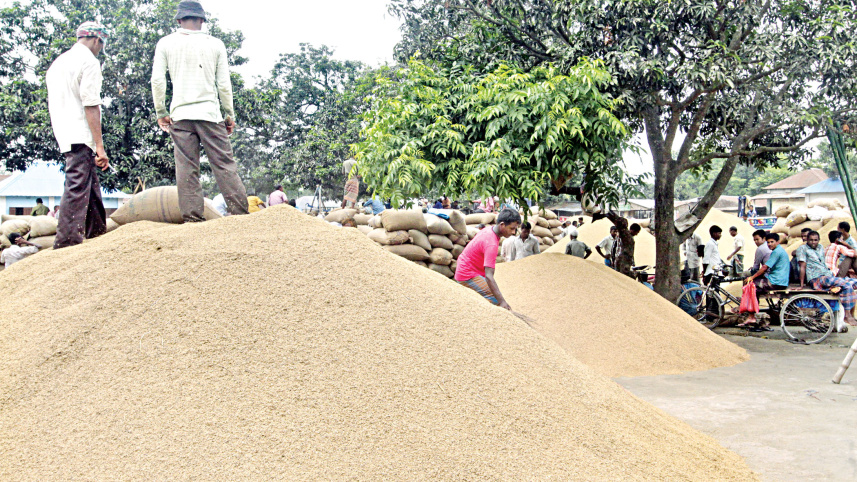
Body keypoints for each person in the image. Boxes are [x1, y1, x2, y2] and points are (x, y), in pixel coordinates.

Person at [151, 0, 249, 222]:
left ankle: (193, 220)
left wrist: (161, 111)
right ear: (203, 20)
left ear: (179, 20)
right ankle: (240, 216)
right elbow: (224, 85)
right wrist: (229, 114)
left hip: (180, 116)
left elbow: (157, 81)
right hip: (210, 114)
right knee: (224, 165)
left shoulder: (165, 43)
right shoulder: (215, 44)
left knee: (186, 168)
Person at [46, 21, 111, 249]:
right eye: (101, 45)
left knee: (88, 184)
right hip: (80, 133)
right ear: (97, 40)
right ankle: (66, 243)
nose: (100, 49)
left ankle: (97, 233)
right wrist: (99, 146)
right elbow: (91, 104)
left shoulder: (58, 63)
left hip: (64, 131)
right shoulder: (89, 62)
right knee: (76, 185)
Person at [454, 208, 520, 310]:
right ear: (502, 225)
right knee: (495, 300)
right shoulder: (491, 243)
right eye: (511, 228)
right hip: (467, 274)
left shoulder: (489, 230)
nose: (513, 232)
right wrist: (502, 302)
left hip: (469, 269)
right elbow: (489, 276)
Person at [797, 230, 857, 326]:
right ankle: (847, 315)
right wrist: (801, 285)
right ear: (807, 240)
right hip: (816, 278)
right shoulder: (802, 249)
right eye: (811, 240)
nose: (813, 242)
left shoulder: (821, 247)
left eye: (815, 240)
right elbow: (802, 266)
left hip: (828, 275)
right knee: (845, 284)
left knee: (854, 282)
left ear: (819, 240)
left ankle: (847, 309)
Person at [742, 233, 789, 329]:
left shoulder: (776, 252)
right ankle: (754, 312)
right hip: (779, 279)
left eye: (772, 242)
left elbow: (764, 267)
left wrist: (752, 277)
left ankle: (751, 316)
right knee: (756, 284)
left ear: (778, 242)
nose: (769, 244)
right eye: (768, 242)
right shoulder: (780, 250)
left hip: (776, 281)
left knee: (752, 286)